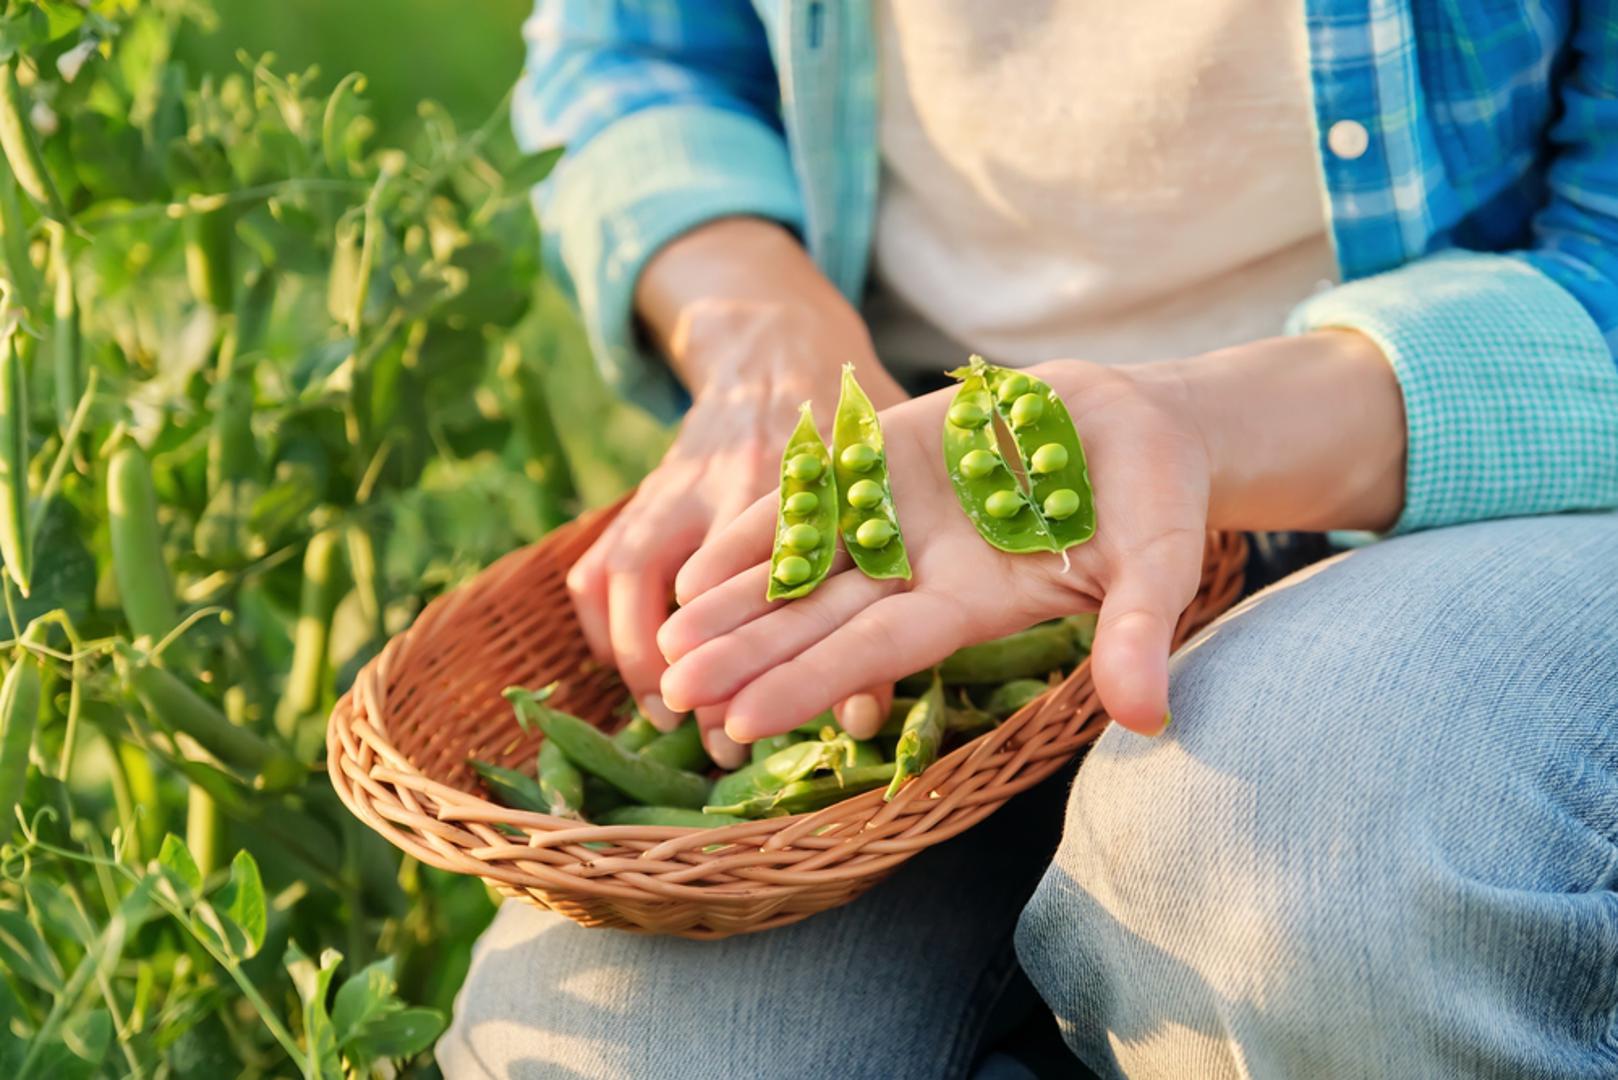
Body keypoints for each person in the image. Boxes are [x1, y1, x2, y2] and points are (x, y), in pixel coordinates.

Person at [438, 2, 1618, 1076]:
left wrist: (1196, 426)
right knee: (614, 1045)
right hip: (936, 509)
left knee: (1289, 883)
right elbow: (636, 52)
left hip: (1454, 472)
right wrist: (766, 328)